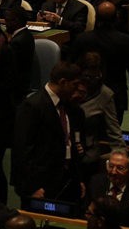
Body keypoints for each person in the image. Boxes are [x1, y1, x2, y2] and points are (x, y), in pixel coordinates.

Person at [11, 62, 85, 203]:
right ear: (63, 82)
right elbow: (22, 151)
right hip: (40, 184)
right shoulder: (32, 106)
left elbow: (71, 141)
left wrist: (78, 179)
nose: (77, 89)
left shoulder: (70, 106)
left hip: (65, 180)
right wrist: (32, 187)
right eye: (74, 84)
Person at [86, 149, 129, 229]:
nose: (114, 172)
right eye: (111, 166)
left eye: (120, 168)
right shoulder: (96, 181)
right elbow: (85, 212)